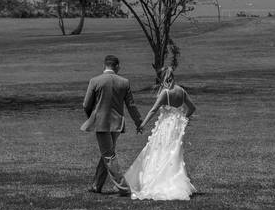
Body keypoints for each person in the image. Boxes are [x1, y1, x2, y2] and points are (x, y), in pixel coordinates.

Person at [124, 66, 196, 200]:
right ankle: (174, 180)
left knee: (159, 151)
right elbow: (192, 108)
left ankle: (157, 181)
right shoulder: (181, 91)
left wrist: (142, 124)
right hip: (176, 127)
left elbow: (153, 110)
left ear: (162, 78)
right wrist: (183, 118)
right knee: (173, 152)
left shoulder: (165, 93)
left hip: (165, 127)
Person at [81, 55, 144, 196]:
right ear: (116, 66)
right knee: (107, 154)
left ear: (104, 65)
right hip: (116, 124)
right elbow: (131, 106)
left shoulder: (95, 81)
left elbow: (86, 104)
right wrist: (138, 122)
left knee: (108, 155)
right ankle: (96, 185)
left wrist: (92, 117)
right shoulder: (124, 82)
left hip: (101, 124)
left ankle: (124, 188)